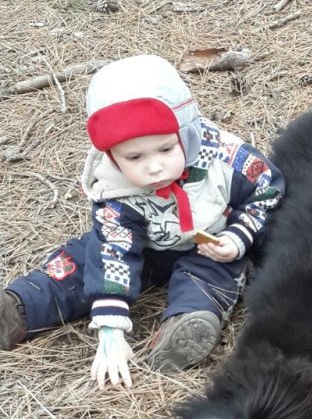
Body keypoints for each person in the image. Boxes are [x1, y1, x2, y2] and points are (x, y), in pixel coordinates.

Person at [0, 54, 284, 387]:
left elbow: (268, 192)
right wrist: (110, 329)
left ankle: (184, 326)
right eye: (134, 157)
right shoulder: (113, 186)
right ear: (111, 155)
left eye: (165, 150)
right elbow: (114, 252)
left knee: (212, 277)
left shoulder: (226, 158)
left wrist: (238, 237)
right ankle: (19, 308)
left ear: (186, 133)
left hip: (209, 246)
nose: (153, 167)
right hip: (143, 248)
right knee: (82, 260)